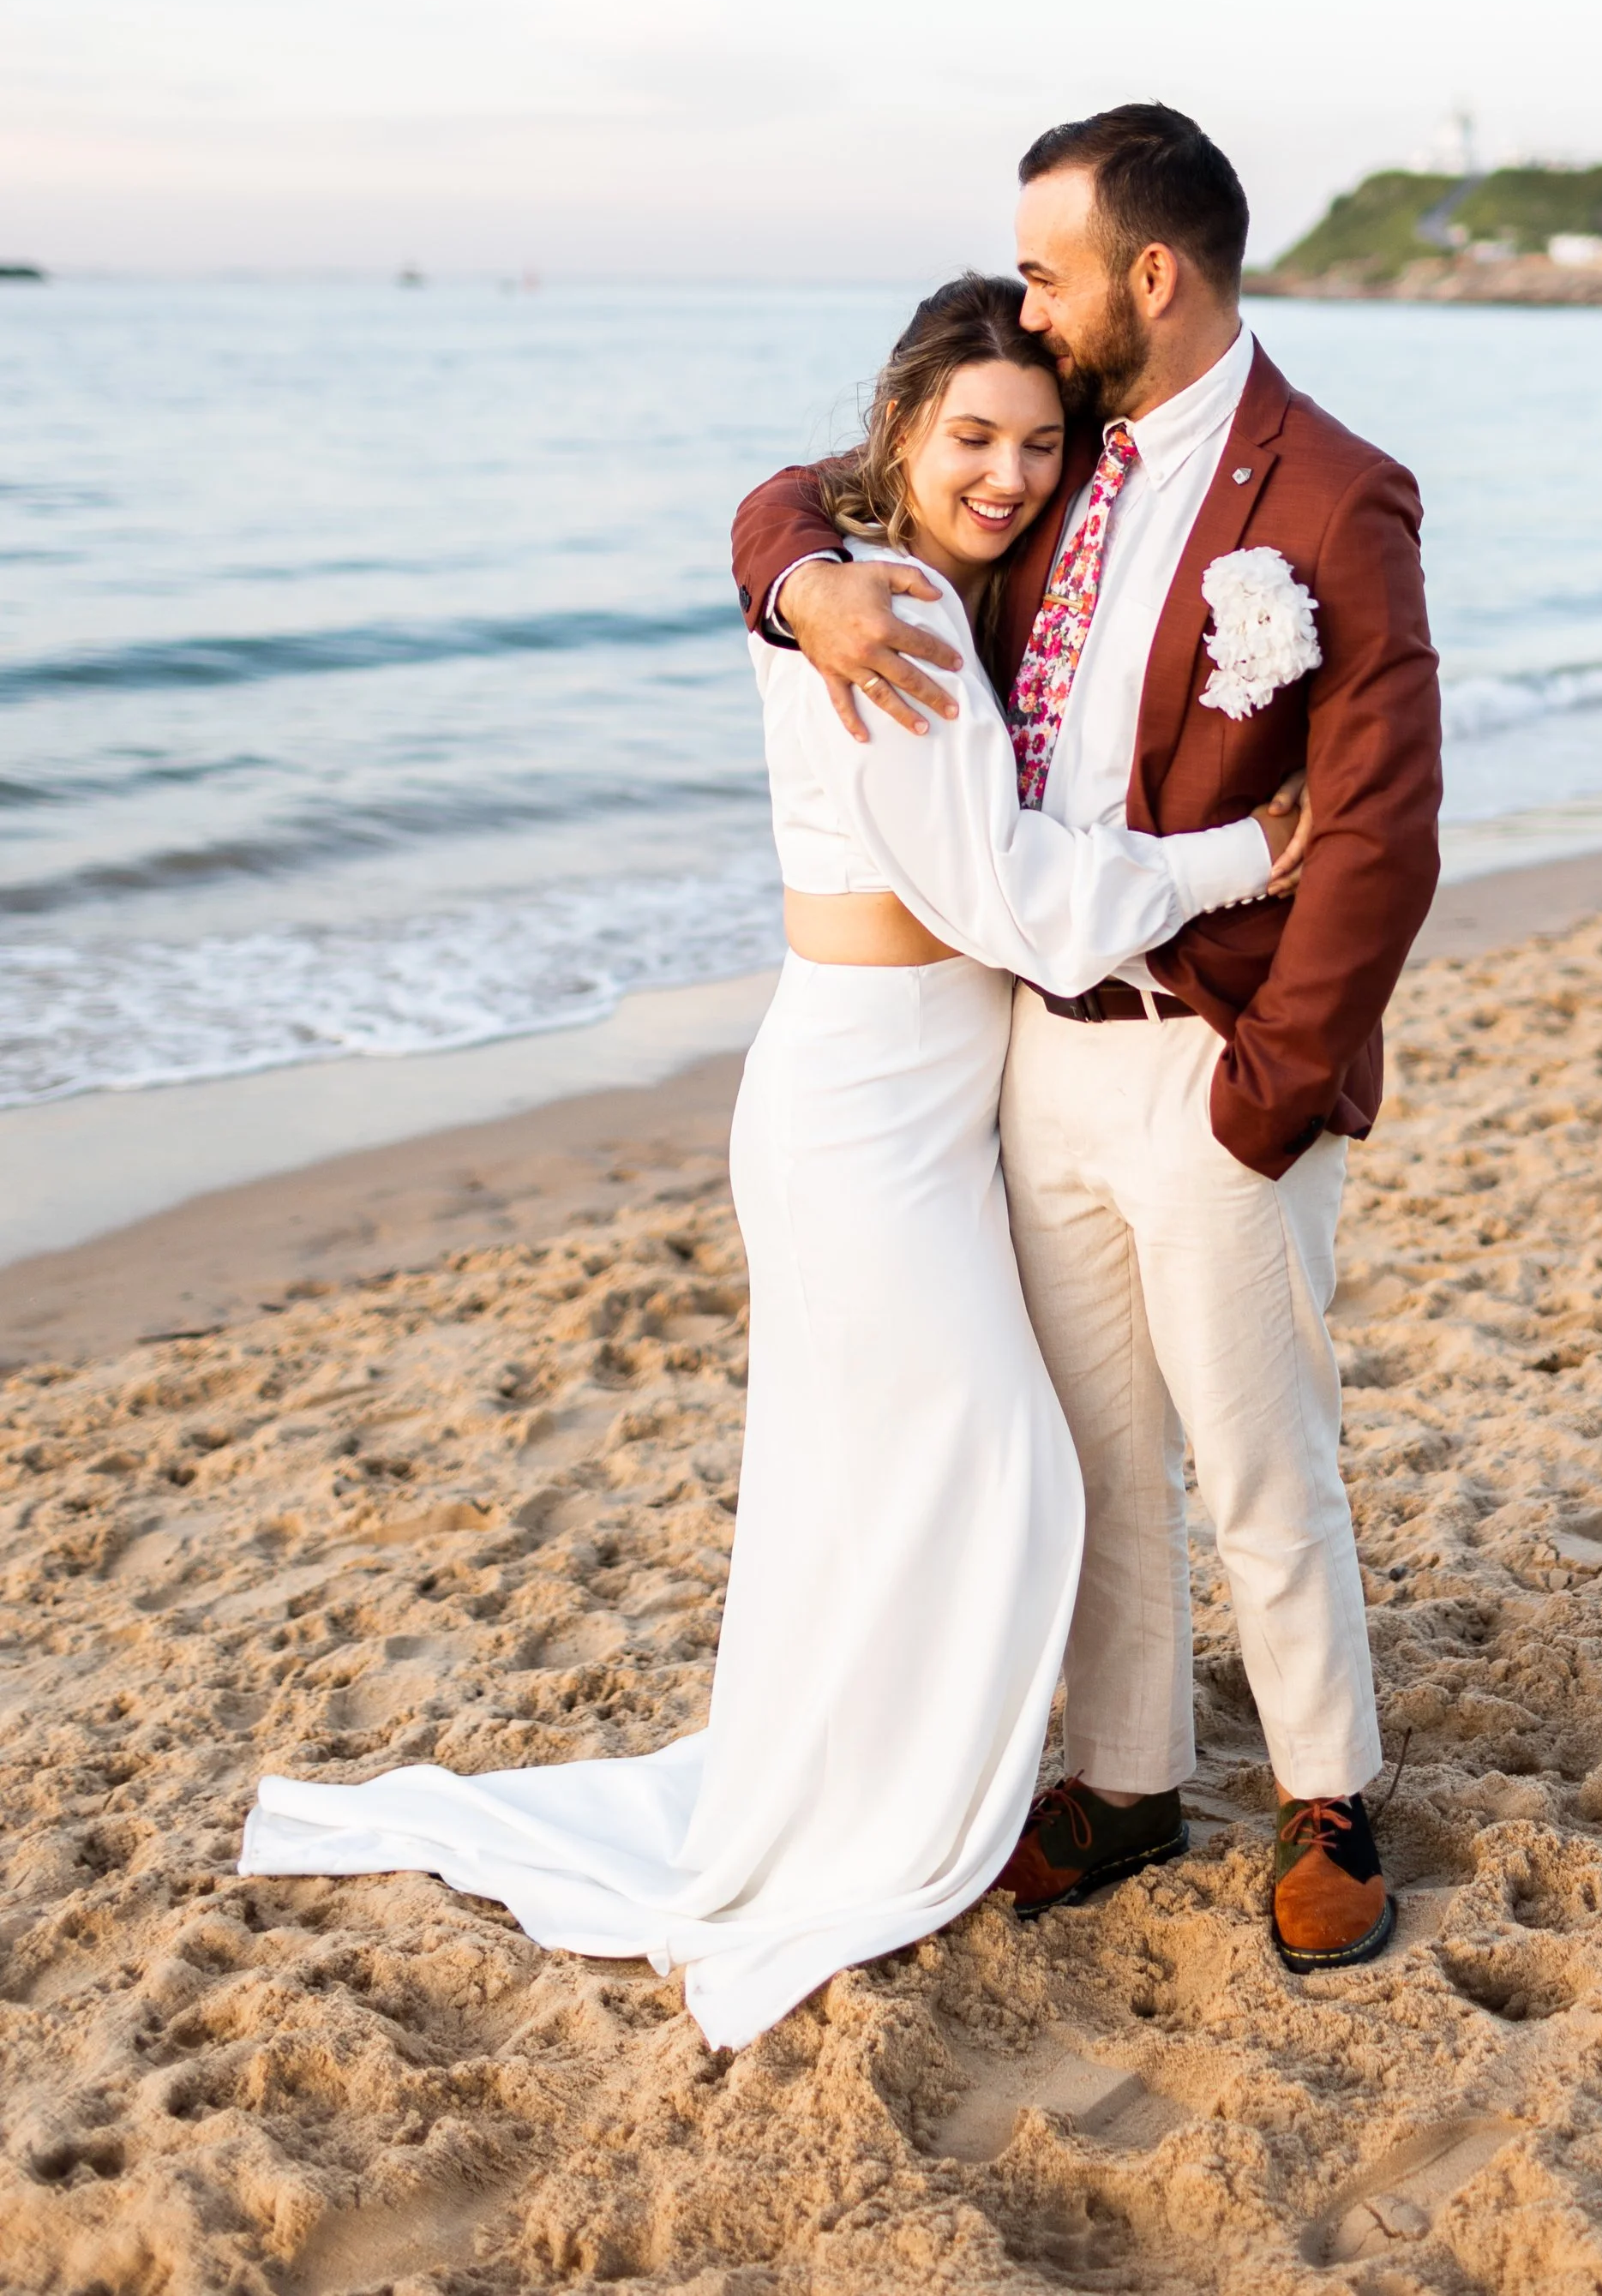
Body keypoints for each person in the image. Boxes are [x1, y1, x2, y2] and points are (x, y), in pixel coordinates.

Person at [240, 274, 1309, 2053]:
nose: (1006, 476)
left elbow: (972, 804)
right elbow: (1009, 900)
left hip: (918, 1091)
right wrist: (1234, 860)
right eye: (971, 437)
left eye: (1040, 449)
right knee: (996, 1459)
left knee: (879, 1469)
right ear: (895, 428)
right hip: (860, 1107)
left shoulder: (923, 587)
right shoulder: (881, 602)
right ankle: (877, 1821)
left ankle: (875, 1782)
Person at [732, 104, 1443, 1973]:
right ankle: (1125, 1781)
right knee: (1092, 1452)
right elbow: (825, 490)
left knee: (1259, 1449)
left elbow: (1376, 825)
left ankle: (1324, 1796)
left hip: (1211, 1063)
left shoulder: (1328, 491)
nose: (1030, 314)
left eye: (1049, 273)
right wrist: (795, 576)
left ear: (1150, 274)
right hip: (1036, 1050)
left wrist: (1272, 1086)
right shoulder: (1047, 469)